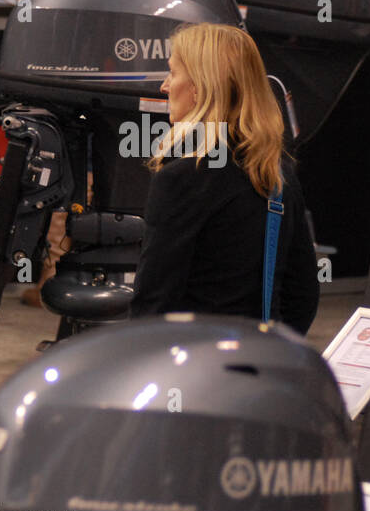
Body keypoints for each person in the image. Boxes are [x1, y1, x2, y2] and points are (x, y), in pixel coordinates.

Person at [21, 0, 157, 307]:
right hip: (122, 60)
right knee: (118, 160)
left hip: (65, 55)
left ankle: (50, 272)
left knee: (63, 163)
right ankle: (115, 266)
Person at [131, 23, 319, 335]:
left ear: (198, 87)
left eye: (173, 73)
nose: (164, 86)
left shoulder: (182, 177)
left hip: (194, 366)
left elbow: (153, 302)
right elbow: (302, 296)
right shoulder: (278, 172)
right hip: (259, 364)